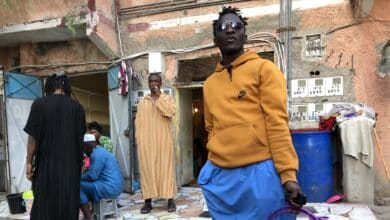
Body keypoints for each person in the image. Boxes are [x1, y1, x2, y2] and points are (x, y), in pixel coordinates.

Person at [197, 6, 303, 219]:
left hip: (260, 171)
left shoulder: (265, 69)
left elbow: (277, 124)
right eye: (223, 27)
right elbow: (211, 127)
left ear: (244, 35)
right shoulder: (209, 84)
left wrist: (288, 175)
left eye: (236, 26)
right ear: (215, 38)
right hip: (222, 174)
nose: (229, 30)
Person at [24, 72, 86, 220]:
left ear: (49, 86)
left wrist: (28, 162)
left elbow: (33, 138)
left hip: (46, 166)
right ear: (67, 87)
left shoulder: (39, 104)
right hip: (70, 167)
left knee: (44, 204)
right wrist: (81, 161)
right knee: (68, 202)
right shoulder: (77, 108)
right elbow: (80, 139)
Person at [135, 73, 177, 213]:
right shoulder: (143, 103)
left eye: (156, 81)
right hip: (146, 144)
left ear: (161, 83)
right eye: (151, 81)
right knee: (147, 171)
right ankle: (148, 202)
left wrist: (159, 96)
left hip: (163, 142)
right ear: (148, 83)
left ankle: (170, 200)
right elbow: (138, 123)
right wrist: (140, 141)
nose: (154, 84)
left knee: (166, 171)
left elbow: (170, 112)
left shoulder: (168, 98)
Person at [79, 134, 124, 220]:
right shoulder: (102, 151)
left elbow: (92, 176)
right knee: (86, 185)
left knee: (78, 185)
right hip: (117, 186)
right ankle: (92, 211)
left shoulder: (96, 154)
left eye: (84, 147)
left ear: (89, 144)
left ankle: (89, 217)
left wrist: (79, 177)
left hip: (110, 187)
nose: (83, 150)